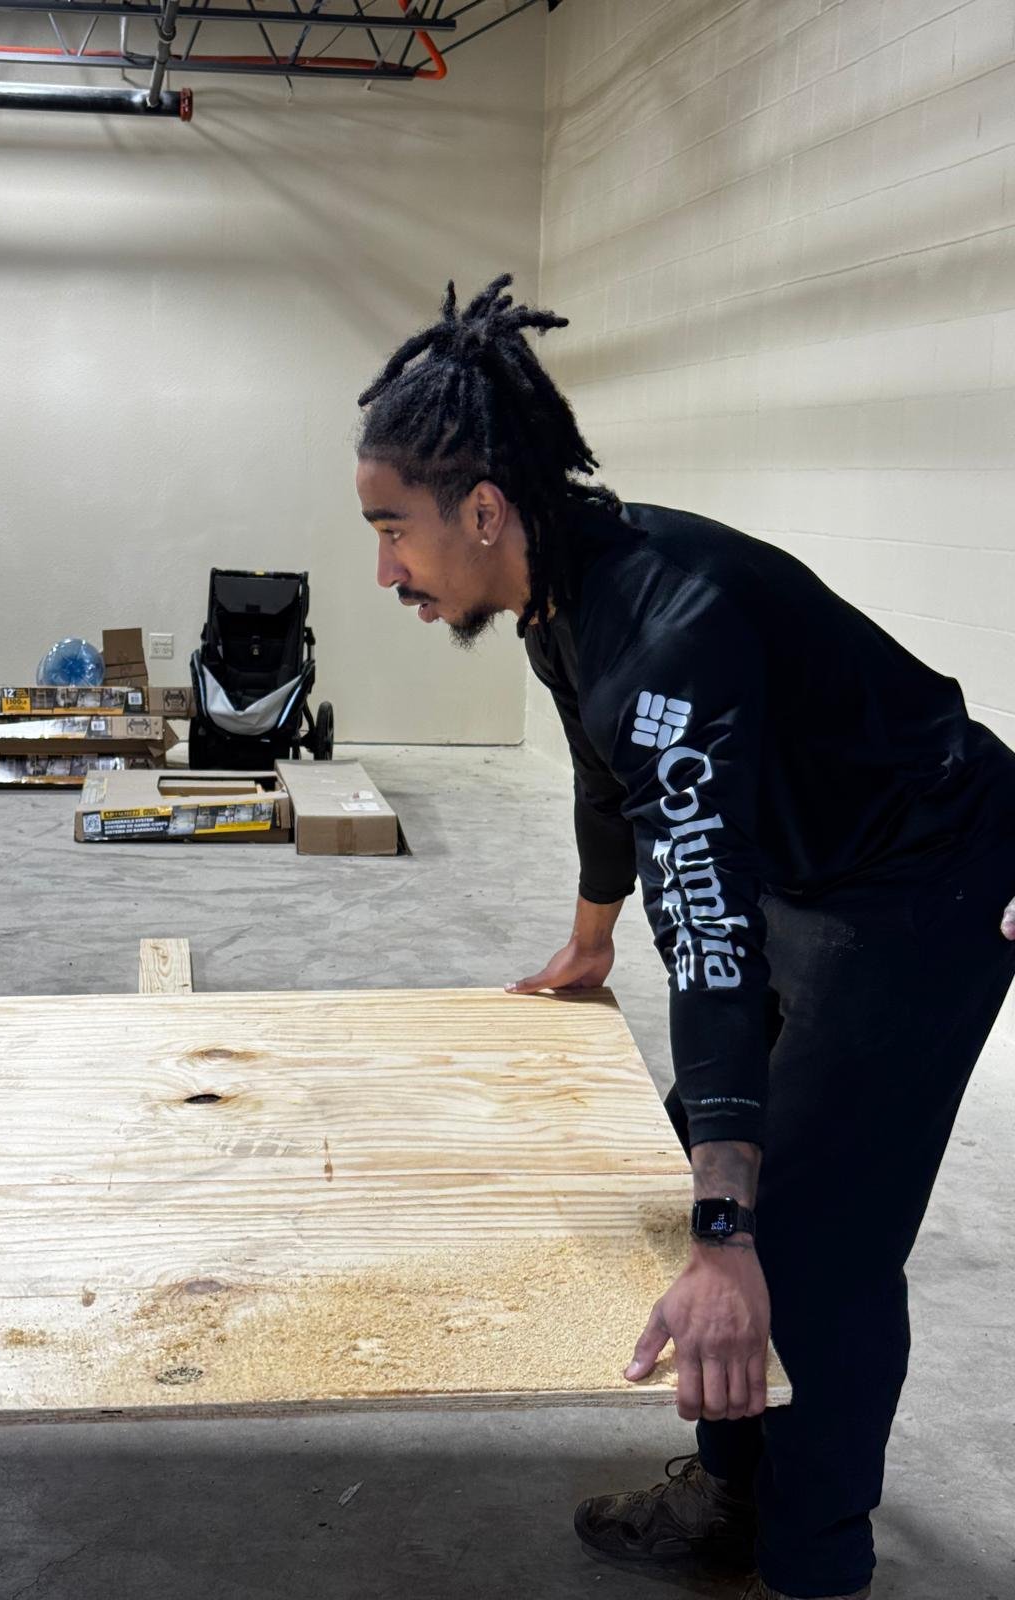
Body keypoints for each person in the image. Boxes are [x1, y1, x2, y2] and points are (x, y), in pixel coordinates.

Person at [353, 274, 1015, 1600]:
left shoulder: (671, 626)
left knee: (805, 1243)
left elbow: (708, 929)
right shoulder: (557, 588)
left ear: (482, 512)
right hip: (814, 868)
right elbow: (612, 784)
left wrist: (727, 1229)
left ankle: (814, 1564)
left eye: (394, 530)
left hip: (928, 888)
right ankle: (731, 1492)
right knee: (701, 1175)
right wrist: (590, 936)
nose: (384, 570)